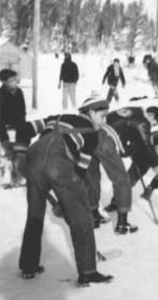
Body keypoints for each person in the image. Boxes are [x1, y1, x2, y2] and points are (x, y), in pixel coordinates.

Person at [19, 95, 114, 286]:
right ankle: (88, 272)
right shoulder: (92, 135)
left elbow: (24, 129)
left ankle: (28, 267)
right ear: (90, 112)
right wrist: (68, 201)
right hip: (60, 167)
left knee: (34, 216)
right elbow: (80, 171)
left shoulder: (55, 117)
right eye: (102, 116)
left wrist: (20, 152)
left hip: (33, 163)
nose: (104, 122)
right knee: (82, 219)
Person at [103, 106, 158, 212]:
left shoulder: (135, 112)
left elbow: (127, 129)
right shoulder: (143, 122)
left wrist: (131, 148)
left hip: (105, 136)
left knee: (140, 162)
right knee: (126, 178)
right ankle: (119, 206)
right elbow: (147, 144)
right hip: (107, 142)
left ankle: (117, 201)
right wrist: (155, 164)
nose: (152, 126)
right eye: (154, 123)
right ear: (151, 116)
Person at [0, 69, 28, 187]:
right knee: (8, 155)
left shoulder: (19, 92)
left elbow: (22, 111)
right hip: (6, 129)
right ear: (4, 82)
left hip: (19, 128)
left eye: (15, 80)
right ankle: (7, 178)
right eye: (11, 80)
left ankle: (17, 178)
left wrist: (24, 129)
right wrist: (3, 134)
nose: (14, 82)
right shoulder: (1, 95)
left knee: (20, 154)